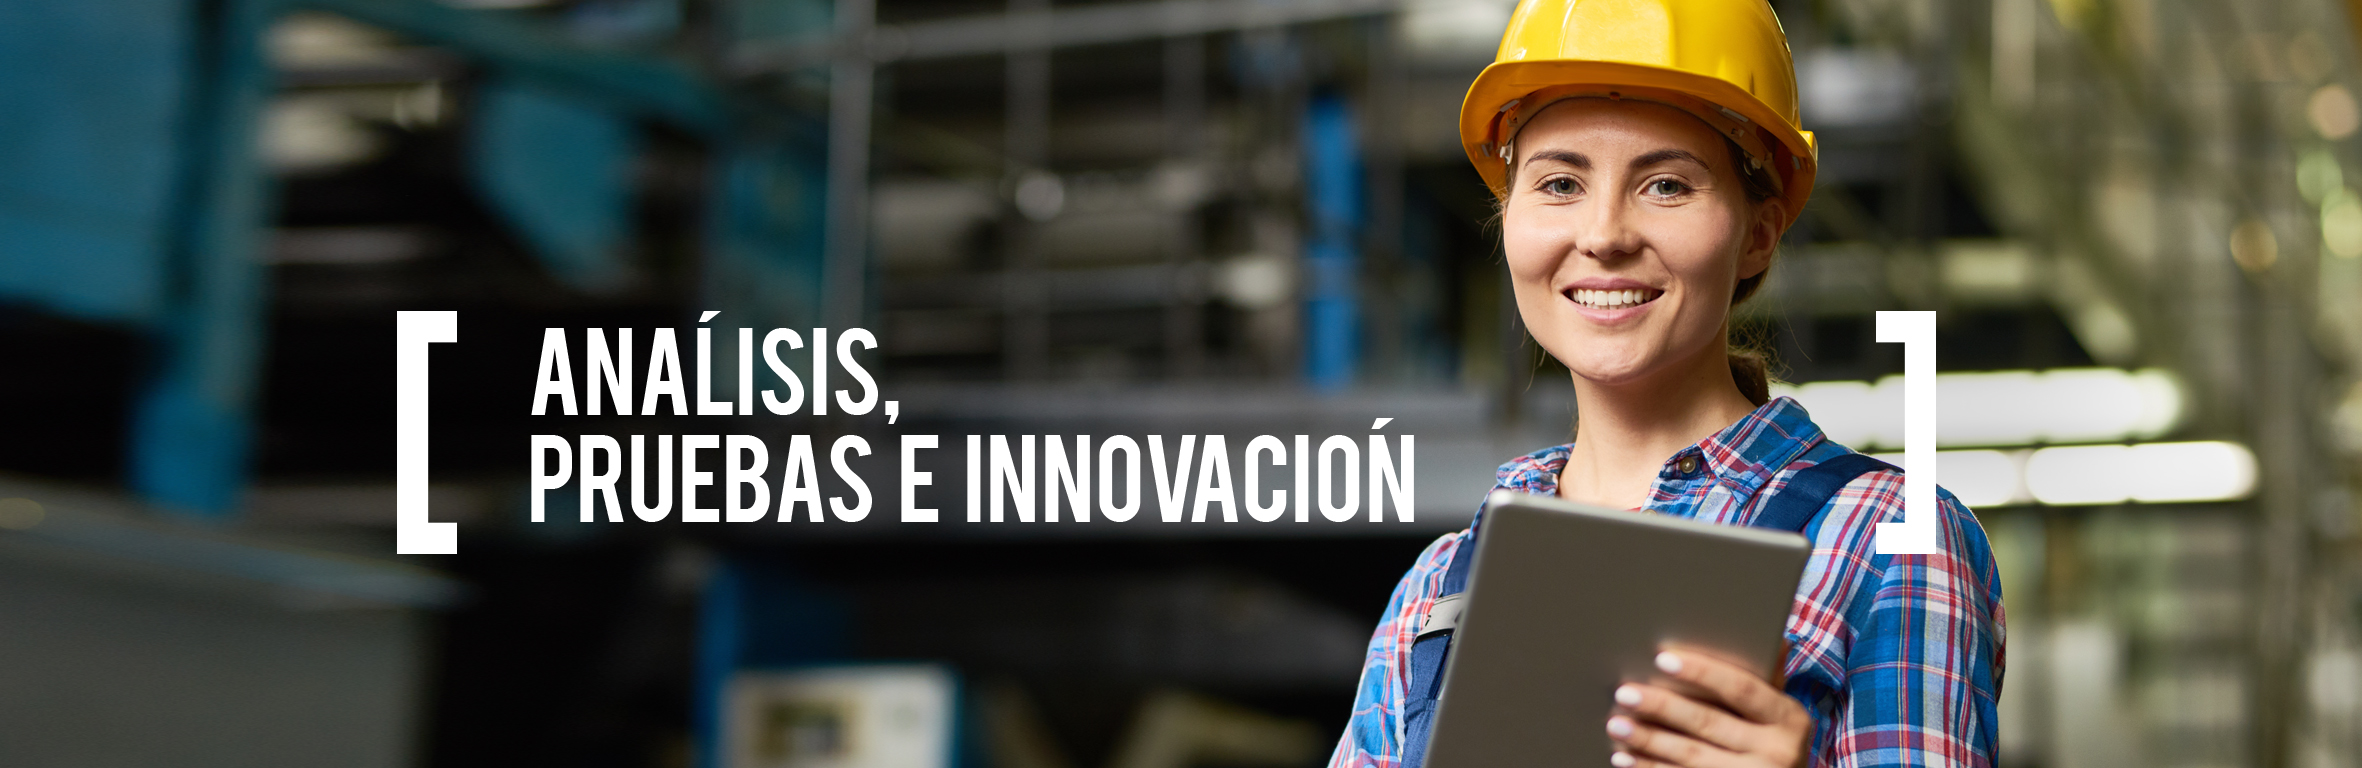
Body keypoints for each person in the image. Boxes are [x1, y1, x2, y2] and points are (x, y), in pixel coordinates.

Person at [1324, 1, 2006, 767]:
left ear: (1757, 235)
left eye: (1667, 186)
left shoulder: (1892, 540)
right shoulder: (1436, 590)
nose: (1605, 234)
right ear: (1507, 216)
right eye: (1558, 184)